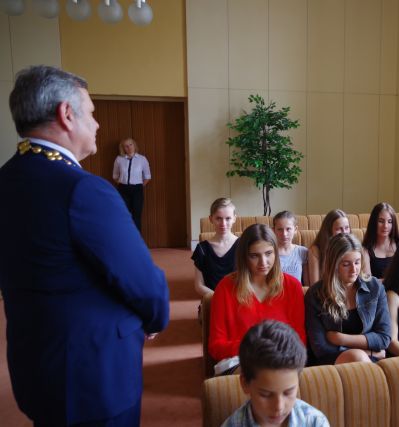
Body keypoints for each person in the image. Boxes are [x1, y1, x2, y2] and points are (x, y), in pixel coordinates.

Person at [0, 65, 170, 426]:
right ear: (66, 114)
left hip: (35, 361)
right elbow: (143, 282)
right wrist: (155, 317)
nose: (97, 124)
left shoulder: (7, 179)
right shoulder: (82, 189)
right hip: (93, 375)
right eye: (91, 113)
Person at [209, 224, 306, 375]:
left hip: (282, 360)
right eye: (254, 256)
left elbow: (300, 339)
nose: (263, 262)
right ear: (244, 257)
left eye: (268, 253)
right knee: (262, 375)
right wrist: (256, 348)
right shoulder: (225, 287)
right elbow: (216, 346)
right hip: (239, 360)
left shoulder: (292, 286)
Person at [221, 320, 330, 427]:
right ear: (245, 383)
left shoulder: (315, 422)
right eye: (265, 395)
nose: (279, 407)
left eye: (288, 392)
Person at [305, 233, 391, 365]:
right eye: (346, 264)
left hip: (369, 361)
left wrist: (341, 339)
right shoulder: (315, 294)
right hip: (332, 362)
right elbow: (320, 348)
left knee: (358, 357)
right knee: (357, 357)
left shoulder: (375, 287)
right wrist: (370, 352)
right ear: (334, 265)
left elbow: (384, 338)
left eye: (357, 262)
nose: (354, 270)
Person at [192, 198, 239, 296]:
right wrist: (219, 298)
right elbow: (199, 285)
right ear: (211, 219)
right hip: (212, 299)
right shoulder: (202, 249)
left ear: (234, 219)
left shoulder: (243, 245)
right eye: (218, 218)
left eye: (228, 218)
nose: (223, 224)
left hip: (237, 298)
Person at [112, 137, 151, 232]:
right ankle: (124, 238)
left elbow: (147, 176)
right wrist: (122, 183)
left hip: (137, 189)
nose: (129, 147)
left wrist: (140, 186)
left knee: (137, 215)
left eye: (130, 145)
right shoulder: (119, 159)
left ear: (134, 145)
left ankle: (137, 239)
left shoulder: (142, 159)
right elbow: (115, 175)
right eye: (126, 146)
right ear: (123, 148)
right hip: (123, 189)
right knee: (124, 215)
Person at [308, 209, 351, 284]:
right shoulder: (315, 250)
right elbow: (314, 284)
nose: (344, 232)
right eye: (339, 229)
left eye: (347, 228)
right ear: (328, 231)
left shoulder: (352, 248)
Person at [362, 202, 399, 279]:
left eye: (390, 222)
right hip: (376, 287)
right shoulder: (365, 249)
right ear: (373, 222)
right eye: (381, 221)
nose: (385, 226)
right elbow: (367, 280)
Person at [273, 210, 309, 286]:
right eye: (280, 229)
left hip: (297, 291)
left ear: (295, 230)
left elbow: (306, 284)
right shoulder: (269, 253)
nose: (284, 234)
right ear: (274, 230)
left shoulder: (302, 252)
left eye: (288, 229)